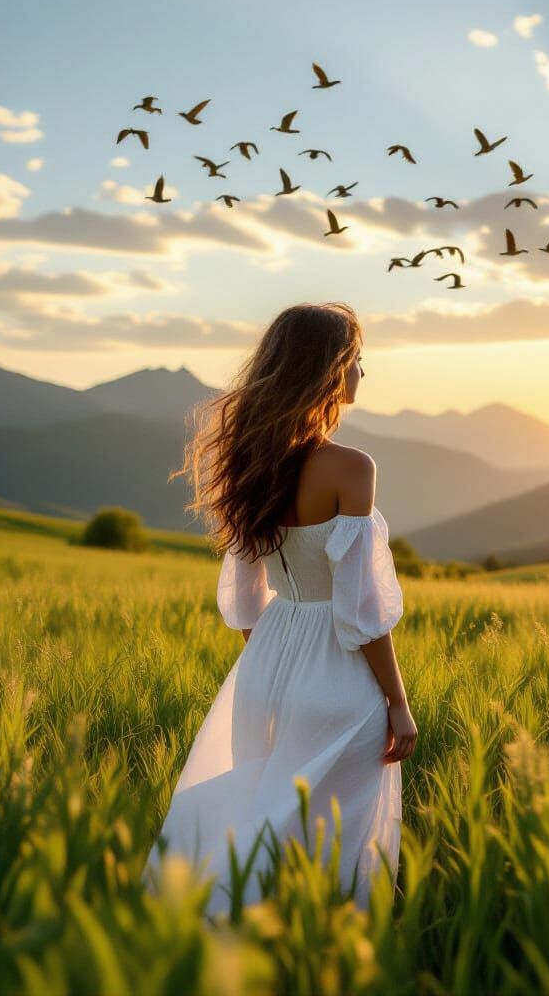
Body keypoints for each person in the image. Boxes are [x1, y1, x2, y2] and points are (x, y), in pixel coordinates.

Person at [145, 302, 418, 915]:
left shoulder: (249, 465)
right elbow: (360, 611)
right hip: (336, 673)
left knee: (264, 819)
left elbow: (246, 600)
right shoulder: (352, 468)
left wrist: (275, 665)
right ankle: (321, 946)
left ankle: (221, 922)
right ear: (328, 368)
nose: (363, 372)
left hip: (265, 666)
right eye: (356, 359)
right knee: (333, 838)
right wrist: (397, 704)